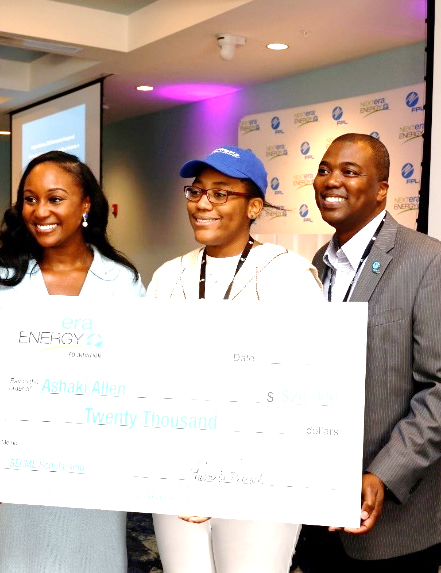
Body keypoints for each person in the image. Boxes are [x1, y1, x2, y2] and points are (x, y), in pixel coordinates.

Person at [0, 150, 144, 572]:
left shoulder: (122, 283)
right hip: (13, 478)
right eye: (30, 199)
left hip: (96, 479)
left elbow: (140, 382)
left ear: (86, 204)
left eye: (55, 198)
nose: (40, 211)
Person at [147, 146, 323, 572]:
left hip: (260, 478)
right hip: (180, 474)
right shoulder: (168, 276)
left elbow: (306, 390)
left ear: (254, 207)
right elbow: (148, 378)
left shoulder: (288, 277)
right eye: (196, 191)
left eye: (221, 193)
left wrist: (227, 471)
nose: (202, 203)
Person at [309, 133, 441, 572]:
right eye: (324, 170)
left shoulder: (430, 262)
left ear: (382, 189)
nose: (330, 180)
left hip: (401, 509)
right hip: (324, 498)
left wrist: (383, 472)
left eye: (349, 171)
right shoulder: (317, 263)